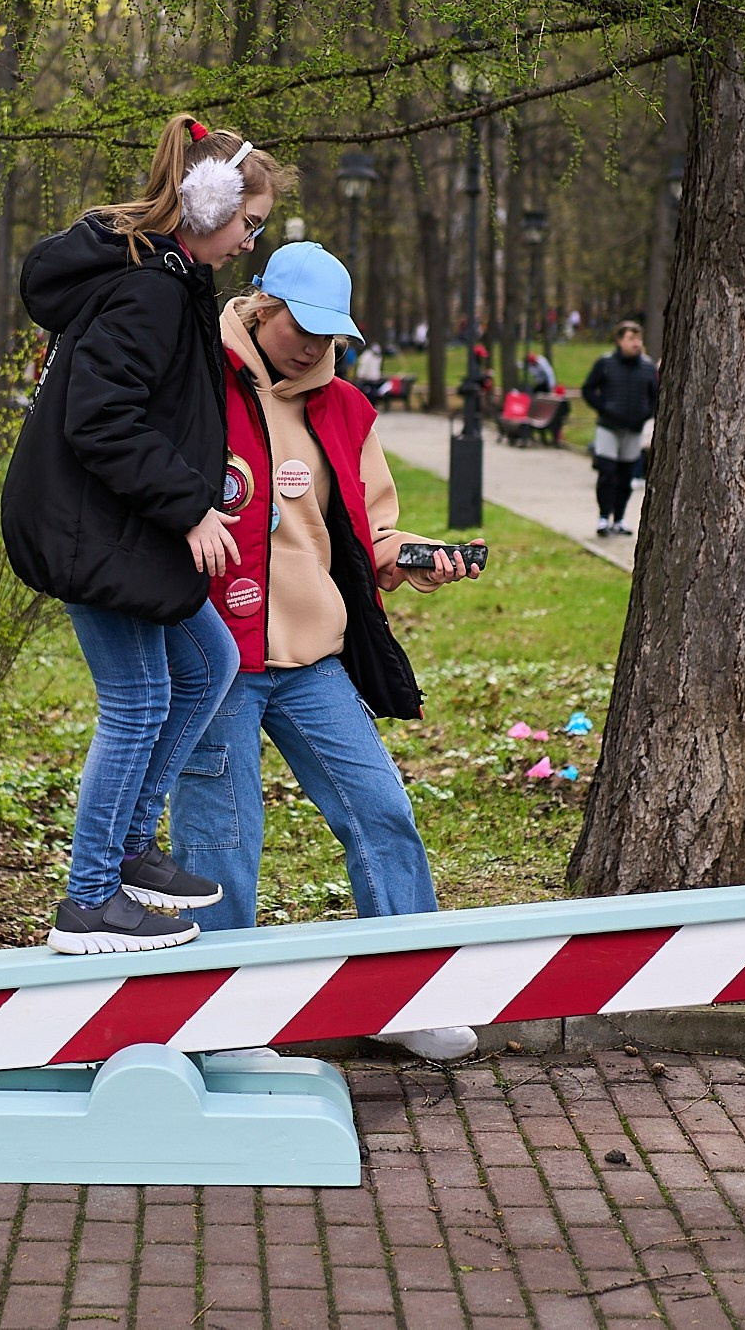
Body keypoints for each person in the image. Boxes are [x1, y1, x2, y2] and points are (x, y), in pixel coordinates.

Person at [166, 241, 485, 1060]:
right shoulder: (196, 373)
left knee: (381, 811)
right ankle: (216, 1025)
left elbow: (372, 530)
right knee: (223, 838)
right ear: (261, 304)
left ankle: (405, 995)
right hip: (218, 660)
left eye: (331, 334)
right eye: (300, 326)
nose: (314, 346)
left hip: (313, 661)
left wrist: (415, 555)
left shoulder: (344, 408)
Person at [3, 114, 283, 955]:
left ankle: (125, 855)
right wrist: (189, 507)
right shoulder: (151, 288)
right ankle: (87, 900)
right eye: (249, 220)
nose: (250, 239)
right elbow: (101, 420)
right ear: (205, 205)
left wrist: (196, 486)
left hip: (125, 522)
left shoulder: (167, 279)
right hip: (95, 529)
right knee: (138, 702)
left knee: (209, 663)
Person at [581, 320, 657, 537]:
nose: (635, 343)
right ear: (619, 341)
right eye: (631, 339)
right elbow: (588, 389)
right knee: (607, 473)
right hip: (609, 428)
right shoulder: (605, 364)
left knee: (625, 477)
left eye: (638, 339)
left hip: (633, 429)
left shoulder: (647, 366)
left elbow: (655, 395)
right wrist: (604, 409)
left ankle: (620, 519)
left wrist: (645, 414)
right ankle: (604, 517)